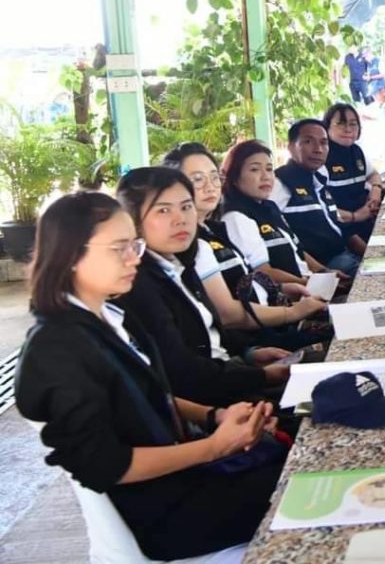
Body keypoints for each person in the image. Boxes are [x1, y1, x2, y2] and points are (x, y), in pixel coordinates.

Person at [15, 192, 283, 561]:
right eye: (118, 248)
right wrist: (215, 445)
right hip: (166, 514)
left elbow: (145, 393)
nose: (133, 260)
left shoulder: (108, 315)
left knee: (293, 462)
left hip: (187, 481)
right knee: (301, 486)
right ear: (70, 253)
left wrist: (213, 416)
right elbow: (107, 465)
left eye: (134, 246)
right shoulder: (57, 349)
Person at [114, 167, 291, 407]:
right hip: (212, 402)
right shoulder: (138, 283)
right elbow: (183, 372)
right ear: (132, 220)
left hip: (230, 372)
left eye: (186, 206)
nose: (181, 219)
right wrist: (262, 376)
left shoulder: (179, 263)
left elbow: (207, 331)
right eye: (164, 210)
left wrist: (250, 354)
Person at [162, 144, 329, 349]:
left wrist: (280, 289)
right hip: (251, 342)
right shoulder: (192, 244)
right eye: (197, 179)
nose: (210, 186)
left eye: (214, 177)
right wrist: (292, 313)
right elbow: (227, 315)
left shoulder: (214, 229)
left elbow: (242, 282)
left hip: (267, 330)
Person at [220, 139, 335, 284]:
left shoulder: (270, 207)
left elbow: (298, 252)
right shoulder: (236, 217)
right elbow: (262, 271)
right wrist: (312, 284)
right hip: (289, 300)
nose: (266, 176)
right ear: (234, 176)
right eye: (255, 169)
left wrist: (325, 273)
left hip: (307, 286)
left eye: (269, 169)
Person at [273, 119, 361, 276]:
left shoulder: (319, 178)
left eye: (324, 143)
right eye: (308, 142)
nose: (318, 149)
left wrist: (370, 253)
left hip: (344, 255)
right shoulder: (280, 183)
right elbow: (281, 241)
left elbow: (340, 225)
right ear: (291, 147)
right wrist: (322, 272)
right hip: (323, 265)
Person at [323, 103, 384, 243]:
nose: (348, 129)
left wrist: (375, 190)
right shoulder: (322, 156)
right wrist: (355, 216)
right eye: (341, 124)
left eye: (353, 124)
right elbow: (323, 210)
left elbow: (373, 174)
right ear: (327, 127)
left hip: (366, 220)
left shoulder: (356, 151)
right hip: (342, 230)